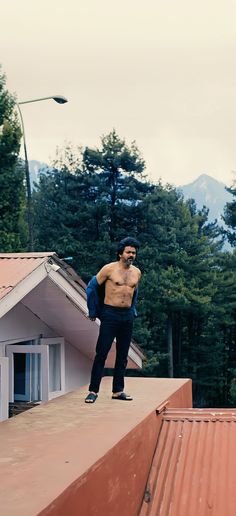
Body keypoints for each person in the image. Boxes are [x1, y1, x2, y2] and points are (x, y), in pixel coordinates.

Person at [85, 237, 141, 403]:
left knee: (123, 354)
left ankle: (118, 390)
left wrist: (133, 310)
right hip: (110, 314)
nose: (131, 255)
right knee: (101, 352)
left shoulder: (137, 272)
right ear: (120, 253)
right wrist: (93, 310)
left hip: (127, 316)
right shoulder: (109, 269)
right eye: (128, 252)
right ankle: (93, 391)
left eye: (134, 252)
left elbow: (134, 293)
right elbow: (91, 288)